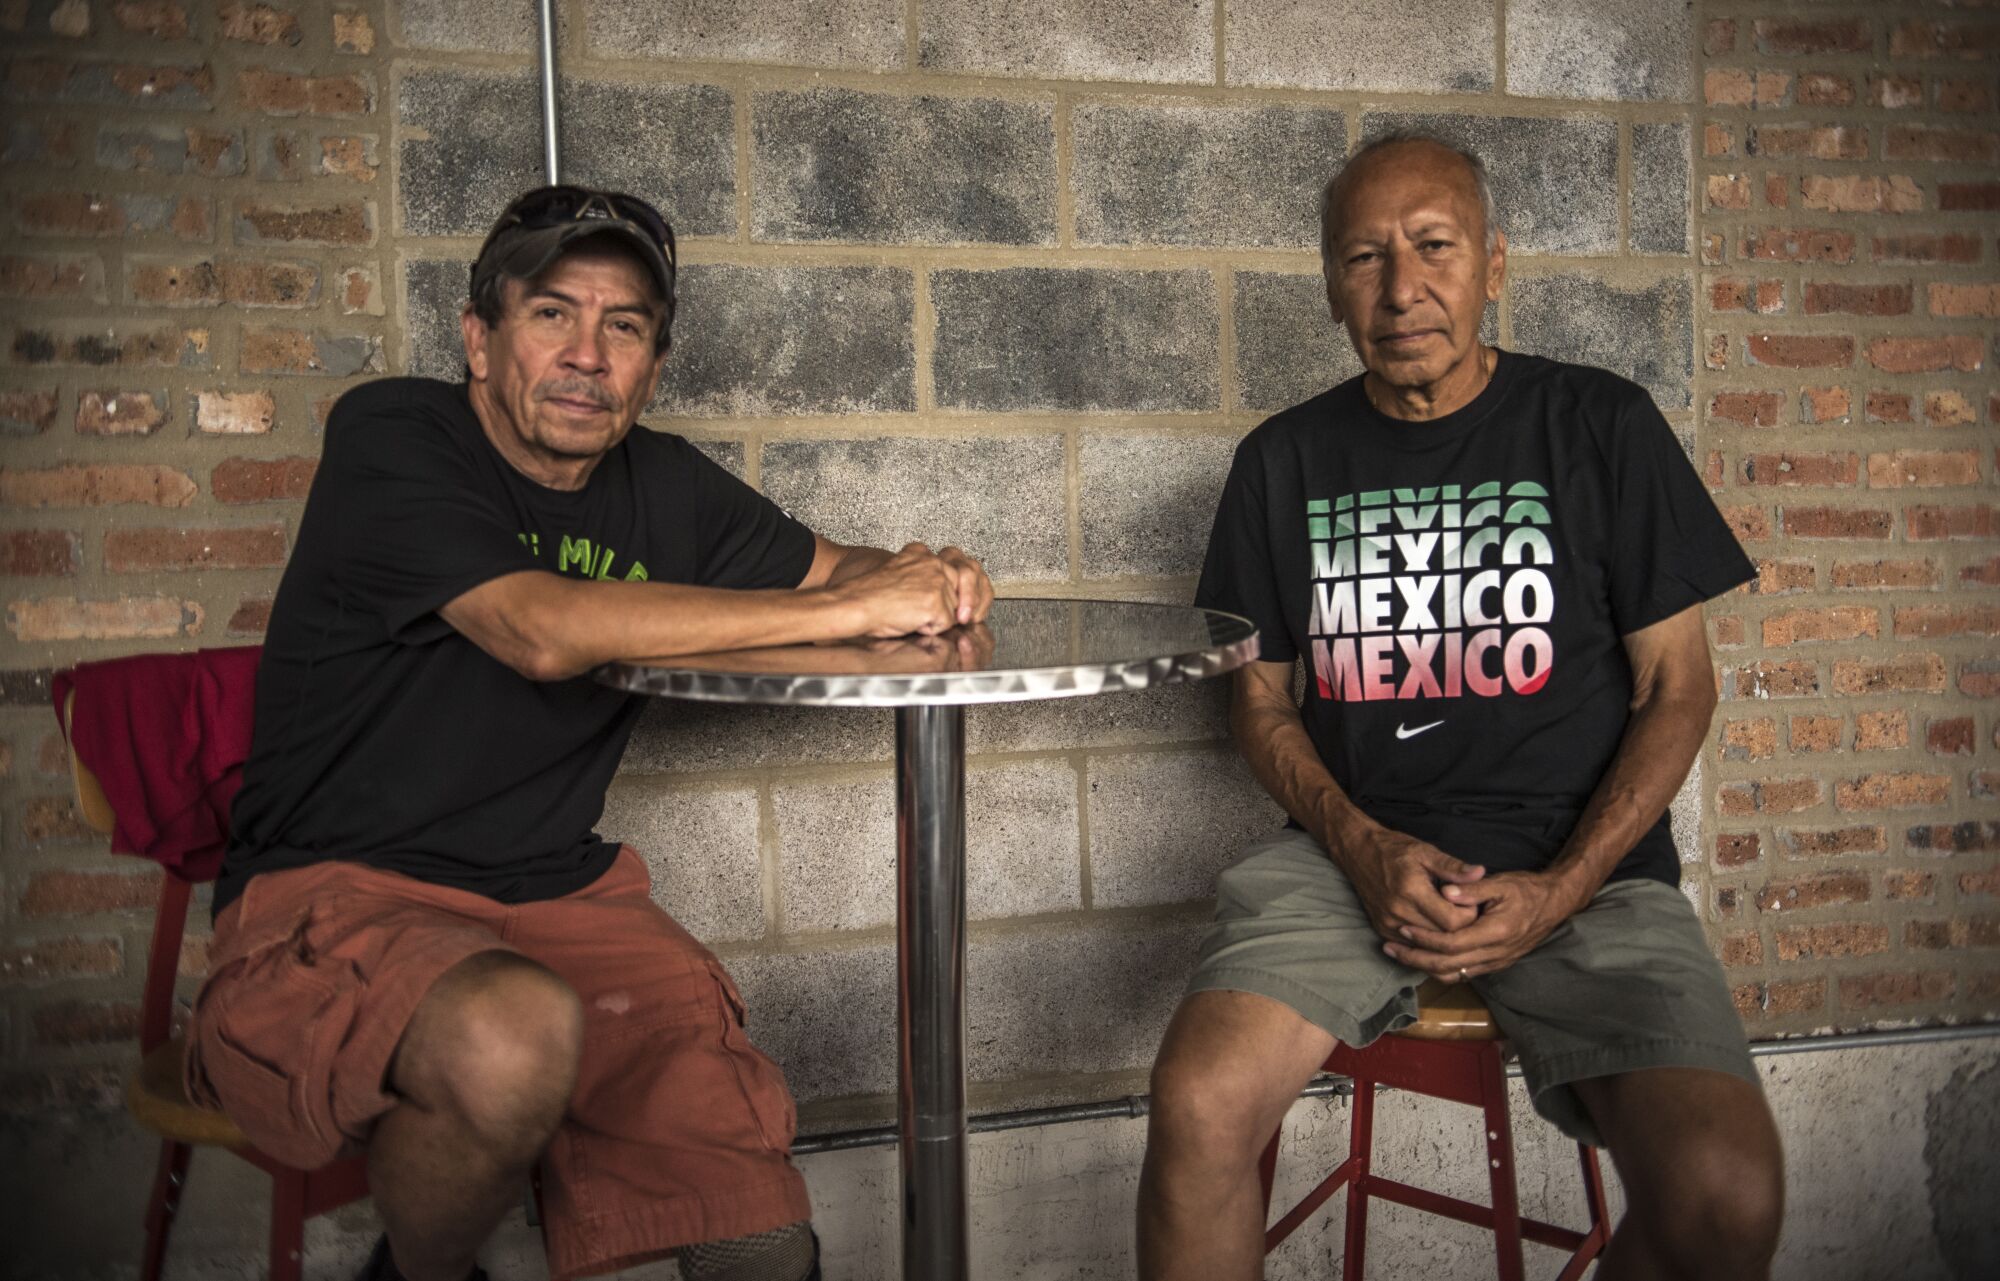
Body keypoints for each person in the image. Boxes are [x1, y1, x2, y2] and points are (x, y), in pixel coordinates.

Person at [187, 185, 994, 1281]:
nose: (587, 355)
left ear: (655, 364)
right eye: (550, 315)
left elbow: (838, 566)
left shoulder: (660, 483)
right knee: (512, 1032)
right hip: (341, 892)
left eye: (625, 328)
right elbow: (537, 628)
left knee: (744, 1195)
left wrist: (925, 572)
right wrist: (849, 610)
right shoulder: (391, 434)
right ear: (479, 340)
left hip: (556, 898)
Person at [1136, 134, 1784, 1280]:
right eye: (1363, 258)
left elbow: (1677, 687)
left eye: (1433, 247)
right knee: (1195, 1109)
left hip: (1586, 871)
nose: (1400, 290)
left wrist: (1562, 888)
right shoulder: (1279, 462)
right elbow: (1257, 705)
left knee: (1724, 1198)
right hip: (1348, 863)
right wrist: (1362, 844)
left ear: (1493, 264)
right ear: (1330, 287)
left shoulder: (1599, 425)